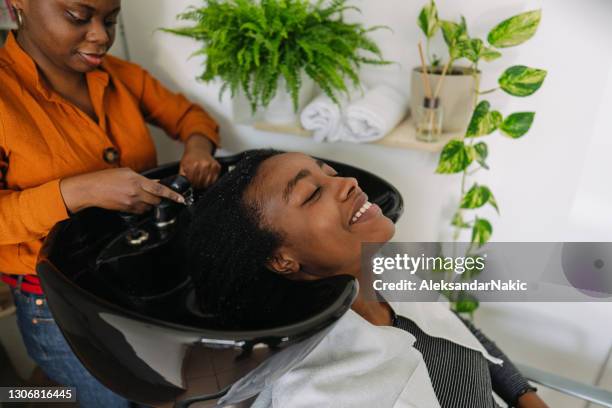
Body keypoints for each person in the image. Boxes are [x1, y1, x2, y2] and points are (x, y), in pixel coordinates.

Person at [183, 150, 549, 408]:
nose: (348, 182)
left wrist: (526, 396)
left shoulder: (389, 274)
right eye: (312, 193)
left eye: (329, 172)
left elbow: (461, 334)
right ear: (282, 260)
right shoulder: (319, 393)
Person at [0, 1, 221, 406]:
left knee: (153, 389)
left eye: (111, 19)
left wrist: (198, 148)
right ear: (19, 5)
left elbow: (191, 116)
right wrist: (78, 192)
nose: (101, 35)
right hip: (57, 308)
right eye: (78, 17)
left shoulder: (121, 77)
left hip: (138, 279)